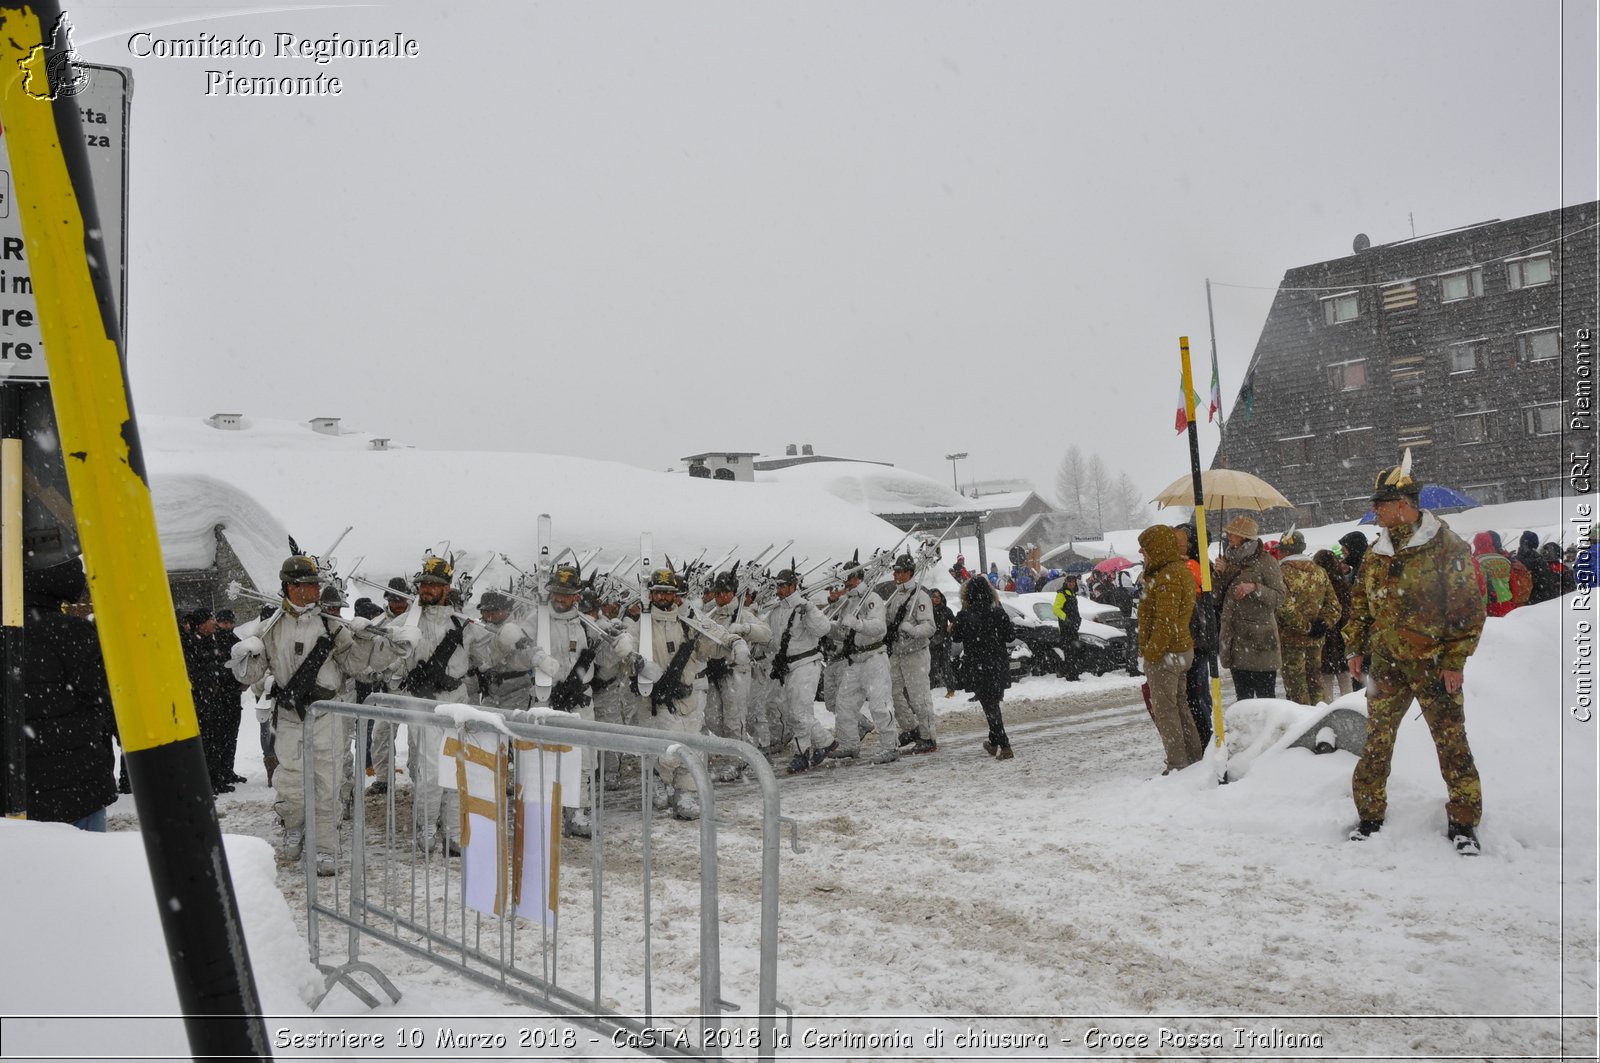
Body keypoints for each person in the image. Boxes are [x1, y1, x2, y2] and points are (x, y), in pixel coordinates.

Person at [1343, 459, 1486, 855]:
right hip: (1387, 664)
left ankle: (1463, 822)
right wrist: (1355, 646)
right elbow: (1360, 604)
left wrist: (1455, 660)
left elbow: (1468, 610)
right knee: (1376, 742)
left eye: (1381, 503)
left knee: (1451, 743)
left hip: (1434, 663)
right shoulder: (1377, 551)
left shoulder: (1445, 545)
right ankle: (1369, 816)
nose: (1376, 511)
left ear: (1403, 503)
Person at [230, 554, 405, 874]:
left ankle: (326, 847)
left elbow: (353, 665)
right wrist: (245, 655)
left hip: (326, 715)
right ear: (292, 587)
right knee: (291, 785)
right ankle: (294, 824)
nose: (316, 591)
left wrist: (364, 641)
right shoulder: (270, 627)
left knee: (328, 784)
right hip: (289, 716)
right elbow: (250, 676)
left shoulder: (332, 625)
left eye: (316, 585)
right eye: (310, 585)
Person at [393, 554, 496, 856]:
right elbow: (387, 660)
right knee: (430, 771)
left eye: (433, 584)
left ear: (446, 587)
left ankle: (453, 830)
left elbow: (489, 653)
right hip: (423, 703)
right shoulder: (405, 622)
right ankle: (426, 828)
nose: (426, 589)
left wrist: (512, 641)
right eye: (423, 583)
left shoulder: (463, 625)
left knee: (456, 768)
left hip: (456, 700)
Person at [628, 568, 738, 819]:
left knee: (693, 744)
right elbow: (625, 646)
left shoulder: (688, 622)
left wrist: (733, 644)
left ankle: (684, 793)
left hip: (689, 694)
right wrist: (633, 659)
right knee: (670, 743)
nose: (663, 598)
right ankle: (659, 775)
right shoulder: (642, 626)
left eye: (668, 593)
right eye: (658, 593)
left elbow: (710, 643)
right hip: (658, 697)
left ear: (676, 595)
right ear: (651, 594)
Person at [22, 558, 117, 831]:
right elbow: (107, 695)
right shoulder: (70, 634)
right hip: (75, 788)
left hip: (14, 795)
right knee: (85, 868)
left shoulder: (13, 630)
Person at [1136, 525, 1202, 774]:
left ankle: (1177, 763)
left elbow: (1166, 621)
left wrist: (1151, 652)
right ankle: (1192, 757)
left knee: (1166, 711)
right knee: (1180, 706)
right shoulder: (1171, 572)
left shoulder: (1168, 576)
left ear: (1158, 548)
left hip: (1167, 653)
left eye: (1145, 549)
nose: (1143, 554)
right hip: (1178, 649)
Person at [825, 559, 903, 762]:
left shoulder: (872, 598)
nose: (847, 582)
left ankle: (890, 746)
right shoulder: (848, 602)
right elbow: (844, 633)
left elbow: (879, 627)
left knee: (879, 704)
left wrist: (858, 623)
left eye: (849, 578)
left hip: (874, 658)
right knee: (844, 704)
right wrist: (827, 627)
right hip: (854, 660)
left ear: (857, 577)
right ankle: (850, 743)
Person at [764, 567, 836, 774]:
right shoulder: (777, 611)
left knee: (798, 711)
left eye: (783, 586)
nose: (779, 590)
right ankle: (809, 749)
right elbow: (770, 637)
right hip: (787, 667)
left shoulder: (805, 607)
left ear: (793, 586)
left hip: (806, 663)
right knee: (795, 711)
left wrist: (810, 612)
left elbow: (823, 629)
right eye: (777, 586)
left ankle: (821, 744)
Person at [702, 570, 771, 781]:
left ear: (733, 593)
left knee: (734, 719)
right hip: (714, 671)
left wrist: (744, 629)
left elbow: (766, 634)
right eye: (717, 592)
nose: (720, 597)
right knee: (713, 718)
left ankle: (737, 761)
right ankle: (748, 750)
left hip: (736, 670)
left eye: (724, 592)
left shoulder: (743, 614)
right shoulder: (711, 614)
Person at [1213, 515, 1285, 701]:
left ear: (1245, 536)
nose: (1228, 535)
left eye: (1234, 532)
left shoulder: (1266, 561)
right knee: (1243, 699)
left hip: (1261, 642)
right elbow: (1216, 597)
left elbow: (1279, 597)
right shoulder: (1228, 559)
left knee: (1265, 699)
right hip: (1236, 641)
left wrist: (1254, 588)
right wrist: (1219, 575)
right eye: (1228, 531)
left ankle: (1267, 731)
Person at [951, 576, 1016, 759]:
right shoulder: (998, 613)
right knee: (992, 704)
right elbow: (1010, 636)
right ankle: (994, 743)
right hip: (997, 665)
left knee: (990, 707)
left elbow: (956, 638)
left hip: (978, 666)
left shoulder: (965, 615)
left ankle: (1005, 745)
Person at [1274, 530, 1339, 706]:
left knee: (1296, 689)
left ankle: (1304, 727)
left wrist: (1306, 627)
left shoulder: (1280, 573)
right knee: (1316, 685)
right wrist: (1322, 624)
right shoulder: (1320, 572)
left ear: (1284, 550)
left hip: (1290, 641)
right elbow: (1334, 607)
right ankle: (1320, 723)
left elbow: (1284, 608)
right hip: (1316, 642)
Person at [883, 553, 938, 754]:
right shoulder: (894, 596)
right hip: (897, 653)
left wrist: (913, 630)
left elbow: (930, 627)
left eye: (899, 571)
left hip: (916, 653)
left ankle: (928, 737)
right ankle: (911, 728)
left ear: (909, 573)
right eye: (895, 571)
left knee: (919, 697)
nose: (896, 575)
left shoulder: (920, 596)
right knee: (892, 693)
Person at [1312, 549, 1353, 700]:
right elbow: (1348, 612)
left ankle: (1327, 711)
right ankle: (1348, 707)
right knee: (1345, 676)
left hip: (1324, 636)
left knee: (1326, 679)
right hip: (1342, 636)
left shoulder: (1319, 585)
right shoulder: (1343, 584)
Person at [1470, 533, 1518, 618]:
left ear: (1476, 544)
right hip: (1506, 605)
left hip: (1487, 607)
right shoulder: (1505, 560)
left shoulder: (1476, 562)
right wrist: (1513, 602)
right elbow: (1514, 585)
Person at [1516, 531, 1561, 604]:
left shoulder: (1515, 560)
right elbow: (1547, 583)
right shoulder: (1538, 560)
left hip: (1520, 602)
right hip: (1539, 601)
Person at [1051, 573, 1082, 681]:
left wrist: (1077, 620)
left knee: (1074, 651)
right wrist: (1066, 619)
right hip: (1066, 629)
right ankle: (1070, 675)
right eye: (1069, 582)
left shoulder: (1072, 593)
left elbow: (1074, 610)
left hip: (1073, 627)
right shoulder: (1062, 594)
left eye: (1073, 582)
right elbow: (1055, 609)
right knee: (1069, 652)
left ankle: (1074, 674)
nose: (1071, 584)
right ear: (1066, 582)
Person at [927, 587, 957, 697]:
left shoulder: (945, 609)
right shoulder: (927, 610)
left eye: (938, 597)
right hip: (932, 642)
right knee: (931, 667)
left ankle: (951, 689)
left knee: (946, 666)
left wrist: (951, 626)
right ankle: (928, 691)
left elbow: (954, 620)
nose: (936, 599)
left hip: (944, 641)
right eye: (934, 597)